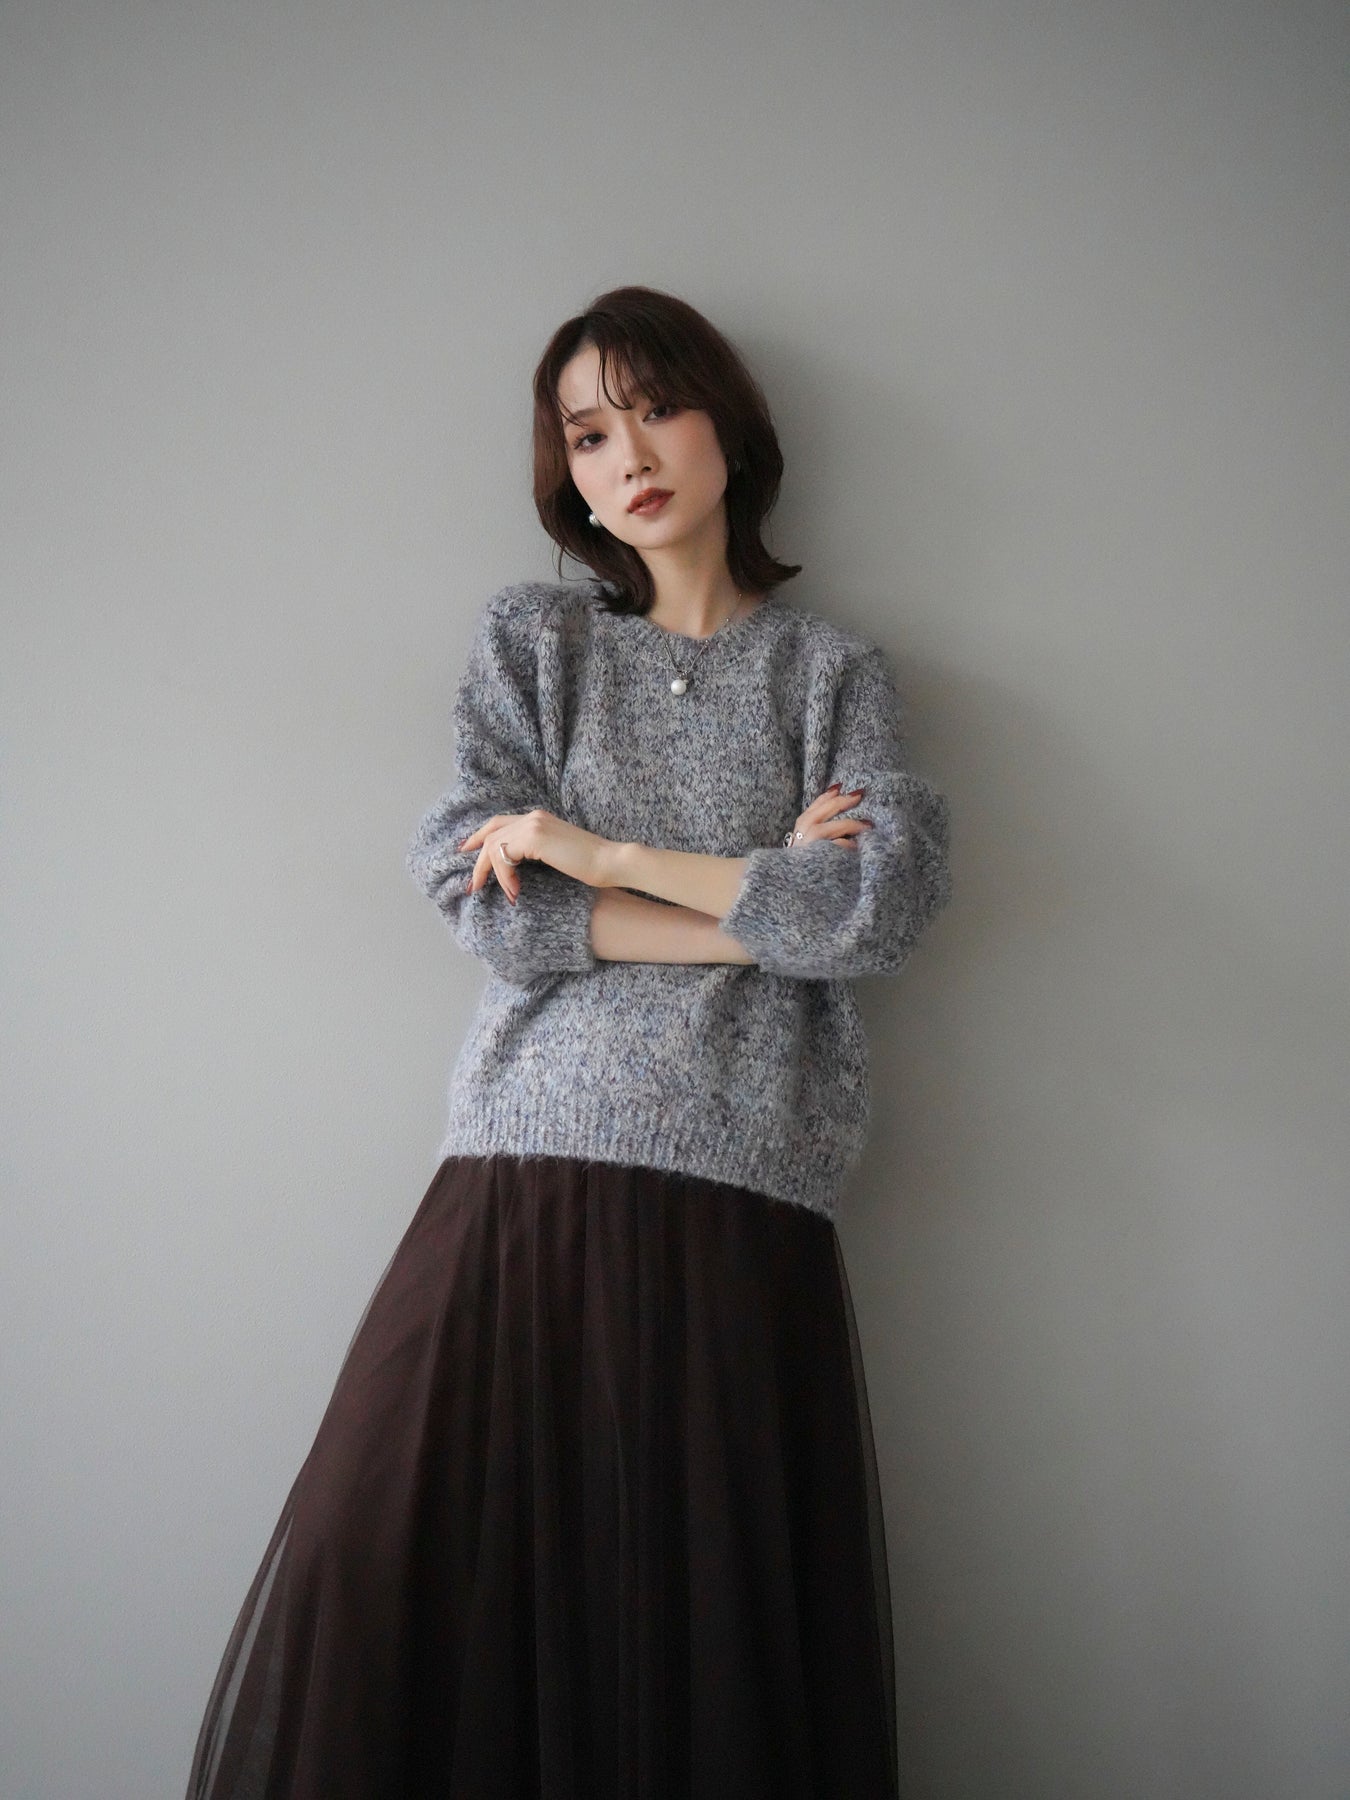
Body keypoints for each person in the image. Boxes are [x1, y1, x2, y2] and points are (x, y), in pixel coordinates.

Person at [183, 284, 953, 1800]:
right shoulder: (535, 644)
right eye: (589, 435)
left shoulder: (831, 676)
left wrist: (604, 857)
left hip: (742, 1185)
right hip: (522, 1172)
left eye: (656, 412)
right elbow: (481, 893)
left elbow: (877, 909)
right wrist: (760, 904)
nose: (629, 458)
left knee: (688, 1642)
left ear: (731, 428)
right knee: (380, 1568)